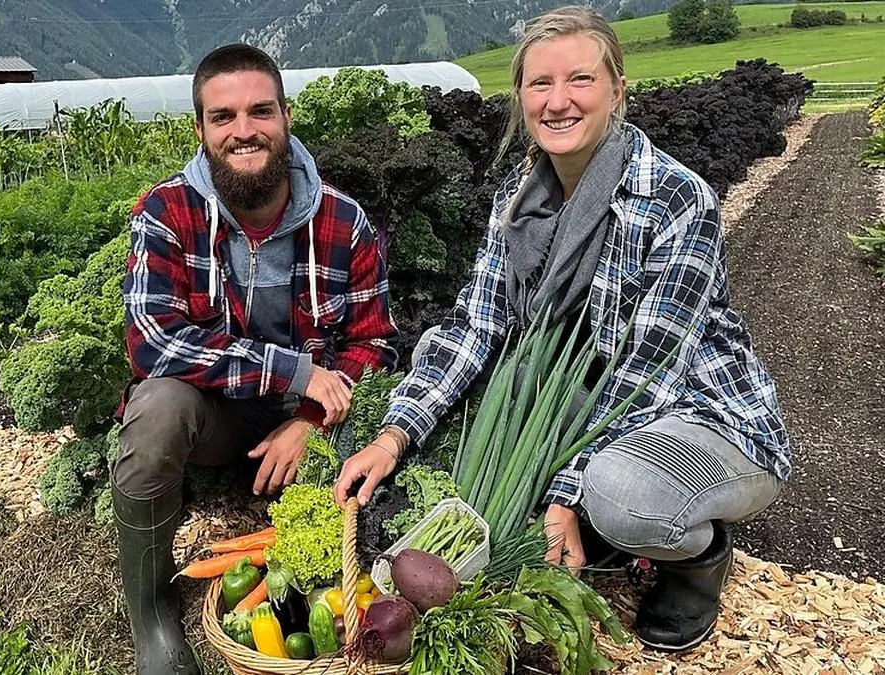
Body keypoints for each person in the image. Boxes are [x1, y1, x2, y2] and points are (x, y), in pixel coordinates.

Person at [335, 5, 789, 654]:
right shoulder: (521, 199)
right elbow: (475, 325)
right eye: (539, 83)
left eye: (580, 79)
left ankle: (698, 559)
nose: (557, 101)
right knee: (474, 399)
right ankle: (600, 516)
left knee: (619, 497)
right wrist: (394, 434)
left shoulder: (675, 199)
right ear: (521, 97)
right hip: (588, 406)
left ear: (617, 90)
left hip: (700, 411)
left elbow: (647, 374)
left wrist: (565, 493)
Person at [114, 44, 399, 674]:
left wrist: (309, 420)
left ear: (286, 118)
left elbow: (373, 343)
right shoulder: (169, 212)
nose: (243, 131)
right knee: (156, 407)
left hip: (315, 429)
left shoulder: (343, 221)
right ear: (201, 129)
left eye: (260, 112)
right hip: (215, 417)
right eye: (223, 117)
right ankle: (153, 616)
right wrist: (296, 371)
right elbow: (154, 341)